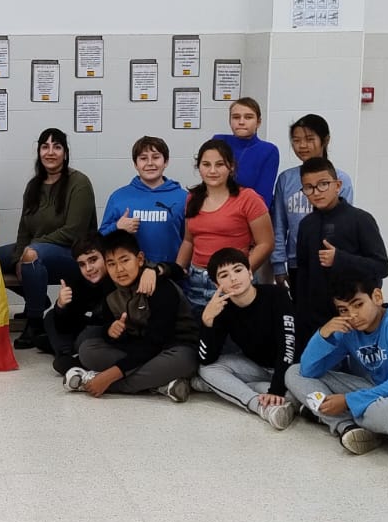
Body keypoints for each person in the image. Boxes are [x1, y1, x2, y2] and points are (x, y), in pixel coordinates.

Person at [285, 269, 388, 455]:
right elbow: (308, 371)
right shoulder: (348, 328)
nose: (352, 315)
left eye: (358, 305)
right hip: (377, 390)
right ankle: (347, 427)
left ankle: (328, 416)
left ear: (377, 297)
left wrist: (348, 401)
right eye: (343, 310)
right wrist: (323, 334)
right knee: (294, 372)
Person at [63, 231, 198, 402]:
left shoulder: (160, 286)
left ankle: (88, 382)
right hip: (139, 348)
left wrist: (110, 376)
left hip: (174, 349)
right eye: (111, 264)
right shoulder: (110, 288)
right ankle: (159, 385)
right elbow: (110, 328)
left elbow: (156, 341)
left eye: (125, 260)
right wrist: (111, 331)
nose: (119, 270)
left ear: (139, 259)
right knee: (88, 350)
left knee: (184, 361)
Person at [0, 128, 97, 349]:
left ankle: (34, 323)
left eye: (57, 147)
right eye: (45, 147)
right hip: (38, 249)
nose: (50, 152)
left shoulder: (79, 183)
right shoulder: (33, 186)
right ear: (39, 152)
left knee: (32, 254)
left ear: (65, 153)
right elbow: (24, 229)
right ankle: (36, 298)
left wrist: (31, 248)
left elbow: (74, 231)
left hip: (74, 253)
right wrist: (18, 257)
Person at [193, 248, 298, 430]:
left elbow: (288, 347)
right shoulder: (222, 309)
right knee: (207, 370)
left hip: (291, 370)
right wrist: (207, 321)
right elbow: (206, 359)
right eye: (224, 275)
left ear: (250, 273)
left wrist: (276, 390)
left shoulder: (276, 295)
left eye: (238, 270)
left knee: (291, 386)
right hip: (257, 368)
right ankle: (261, 406)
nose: (233, 278)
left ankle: (246, 390)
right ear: (217, 284)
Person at [47, 233, 180, 375]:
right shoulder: (80, 282)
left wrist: (155, 270)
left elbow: (178, 271)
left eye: (93, 260)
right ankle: (66, 354)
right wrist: (61, 305)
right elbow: (65, 326)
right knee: (52, 317)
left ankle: (75, 360)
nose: (89, 268)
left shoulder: (125, 275)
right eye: (82, 264)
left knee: (86, 340)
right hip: (103, 328)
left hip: (132, 334)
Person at [289, 156, 388, 341]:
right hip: (317, 322)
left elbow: (382, 267)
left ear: (337, 185)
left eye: (323, 184)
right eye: (309, 187)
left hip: (356, 319)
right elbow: (302, 275)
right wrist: (301, 317)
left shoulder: (361, 219)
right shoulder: (306, 225)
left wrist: (340, 259)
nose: (316, 192)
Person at [173, 139, 273, 309]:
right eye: (206, 164)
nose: (212, 171)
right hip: (196, 281)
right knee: (200, 325)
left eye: (219, 164)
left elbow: (266, 243)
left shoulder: (248, 198)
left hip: (233, 281)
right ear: (199, 167)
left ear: (231, 167)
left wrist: (241, 274)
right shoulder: (192, 198)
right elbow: (188, 241)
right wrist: (177, 270)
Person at [271, 115, 355, 285]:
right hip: (296, 262)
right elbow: (279, 225)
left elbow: (345, 225)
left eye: (309, 139)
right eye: (296, 140)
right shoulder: (286, 179)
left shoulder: (340, 179)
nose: (302, 146)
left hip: (329, 262)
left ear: (325, 140)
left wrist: (341, 259)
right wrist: (278, 265)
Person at [100, 136, 186, 266]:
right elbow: (100, 239)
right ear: (135, 164)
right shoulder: (118, 197)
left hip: (170, 273)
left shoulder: (183, 197)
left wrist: (180, 269)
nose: (150, 163)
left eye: (156, 157)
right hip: (129, 274)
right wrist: (117, 227)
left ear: (166, 162)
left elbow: (190, 241)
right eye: (143, 158)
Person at [214, 97, 280, 209]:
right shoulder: (219, 142)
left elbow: (263, 197)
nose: (241, 122)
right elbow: (210, 184)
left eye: (248, 117)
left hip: (250, 213)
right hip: (216, 208)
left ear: (258, 122)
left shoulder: (268, 150)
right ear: (229, 121)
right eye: (236, 117)